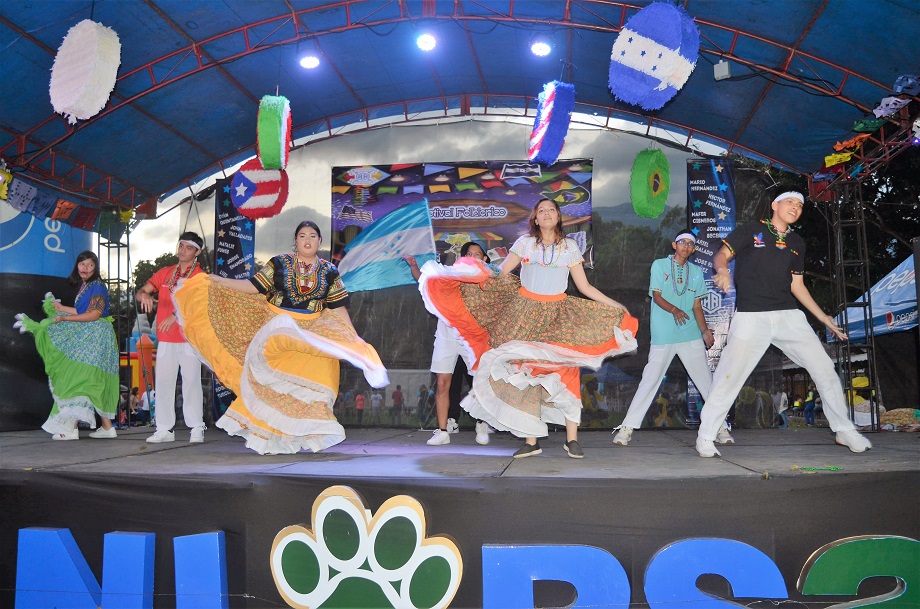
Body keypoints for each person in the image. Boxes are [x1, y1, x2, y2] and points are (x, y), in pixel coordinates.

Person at [419, 198, 639, 458]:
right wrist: (468, 276)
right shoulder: (525, 244)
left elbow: (585, 287)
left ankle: (572, 439)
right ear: (535, 218)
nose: (546, 214)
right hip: (524, 314)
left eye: (551, 210)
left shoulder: (569, 247)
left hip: (558, 314)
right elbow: (499, 274)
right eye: (541, 210)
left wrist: (617, 306)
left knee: (566, 369)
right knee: (527, 373)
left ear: (558, 216)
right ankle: (531, 440)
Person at [173, 220, 388, 454]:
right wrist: (222, 281)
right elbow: (254, 286)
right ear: (295, 241)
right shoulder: (279, 263)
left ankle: (295, 437)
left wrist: (353, 339)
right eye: (302, 235)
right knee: (270, 384)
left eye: (313, 236)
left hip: (312, 330)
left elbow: (338, 307)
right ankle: (270, 437)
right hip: (277, 327)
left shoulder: (329, 271)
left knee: (322, 377)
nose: (307, 240)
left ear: (320, 241)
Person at [696, 191, 872, 456]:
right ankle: (706, 436)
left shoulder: (797, 242)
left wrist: (822, 316)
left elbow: (797, 285)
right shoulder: (752, 230)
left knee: (824, 366)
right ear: (775, 205)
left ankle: (844, 430)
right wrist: (721, 271)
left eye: (800, 205)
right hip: (751, 316)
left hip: (788, 315)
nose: (796, 207)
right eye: (791, 202)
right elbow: (721, 255)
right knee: (728, 377)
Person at [611, 230, 733, 445]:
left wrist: (704, 331)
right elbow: (657, 296)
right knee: (650, 380)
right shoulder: (659, 265)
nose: (685, 246)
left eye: (690, 244)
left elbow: (697, 305)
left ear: (694, 249)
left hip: (690, 334)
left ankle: (721, 428)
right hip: (663, 334)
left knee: (706, 382)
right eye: (681, 242)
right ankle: (626, 429)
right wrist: (675, 310)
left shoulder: (695, 272)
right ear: (673, 245)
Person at [14, 251, 119, 439]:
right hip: (94, 334)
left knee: (77, 375)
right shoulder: (87, 286)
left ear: (95, 268)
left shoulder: (97, 286)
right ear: (77, 266)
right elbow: (83, 311)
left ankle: (70, 427)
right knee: (92, 378)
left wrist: (63, 317)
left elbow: (94, 314)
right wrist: (62, 309)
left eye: (90, 265)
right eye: (82, 264)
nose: (85, 268)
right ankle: (107, 427)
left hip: (95, 334)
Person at [405, 242, 495, 446]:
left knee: (478, 383)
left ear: (484, 259)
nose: (473, 257)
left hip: (472, 337)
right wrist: (413, 265)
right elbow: (424, 279)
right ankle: (443, 430)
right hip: (446, 335)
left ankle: (482, 423)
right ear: (461, 259)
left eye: (477, 254)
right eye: (469, 254)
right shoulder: (449, 275)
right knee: (443, 383)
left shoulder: (489, 280)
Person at [136, 232, 208, 444]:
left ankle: (196, 427)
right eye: (181, 245)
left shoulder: (199, 276)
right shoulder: (166, 272)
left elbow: (199, 305)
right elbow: (141, 291)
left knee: (191, 383)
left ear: (197, 252)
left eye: (188, 247)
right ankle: (164, 429)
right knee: (164, 384)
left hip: (189, 339)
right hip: (166, 338)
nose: (183, 250)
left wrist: (175, 315)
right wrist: (146, 295)